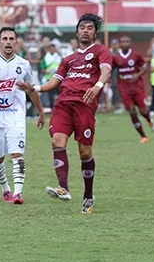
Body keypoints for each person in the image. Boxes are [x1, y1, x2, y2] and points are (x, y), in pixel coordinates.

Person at [17, 13, 112, 214]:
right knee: (56, 142)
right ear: (77, 31)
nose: (85, 31)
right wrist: (33, 88)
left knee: (84, 153)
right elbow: (54, 82)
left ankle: (88, 195)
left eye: (89, 28)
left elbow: (105, 71)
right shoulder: (68, 59)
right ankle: (63, 188)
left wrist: (98, 85)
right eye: (82, 27)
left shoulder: (101, 51)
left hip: (84, 104)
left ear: (95, 32)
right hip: (63, 104)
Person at [0, 27, 46, 204]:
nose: (8, 42)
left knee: (17, 154)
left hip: (16, 116)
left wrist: (41, 112)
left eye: (11, 38)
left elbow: (32, 91)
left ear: (16, 43)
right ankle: (5, 189)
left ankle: (18, 194)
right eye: (4, 38)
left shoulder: (24, 65)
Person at [111, 35, 154, 142]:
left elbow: (145, 67)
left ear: (130, 43)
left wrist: (137, 75)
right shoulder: (116, 57)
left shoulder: (136, 55)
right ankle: (143, 136)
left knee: (144, 110)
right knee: (131, 111)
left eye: (127, 41)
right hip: (124, 88)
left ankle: (149, 120)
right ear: (119, 44)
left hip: (137, 87)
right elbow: (111, 68)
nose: (125, 43)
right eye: (122, 42)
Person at [39, 41, 62, 111]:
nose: (52, 50)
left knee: (60, 94)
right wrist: (46, 71)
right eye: (51, 48)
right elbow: (42, 69)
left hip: (58, 79)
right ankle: (52, 109)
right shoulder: (45, 58)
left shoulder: (59, 57)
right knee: (50, 95)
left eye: (53, 48)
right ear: (49, 49)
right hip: (50, 79)